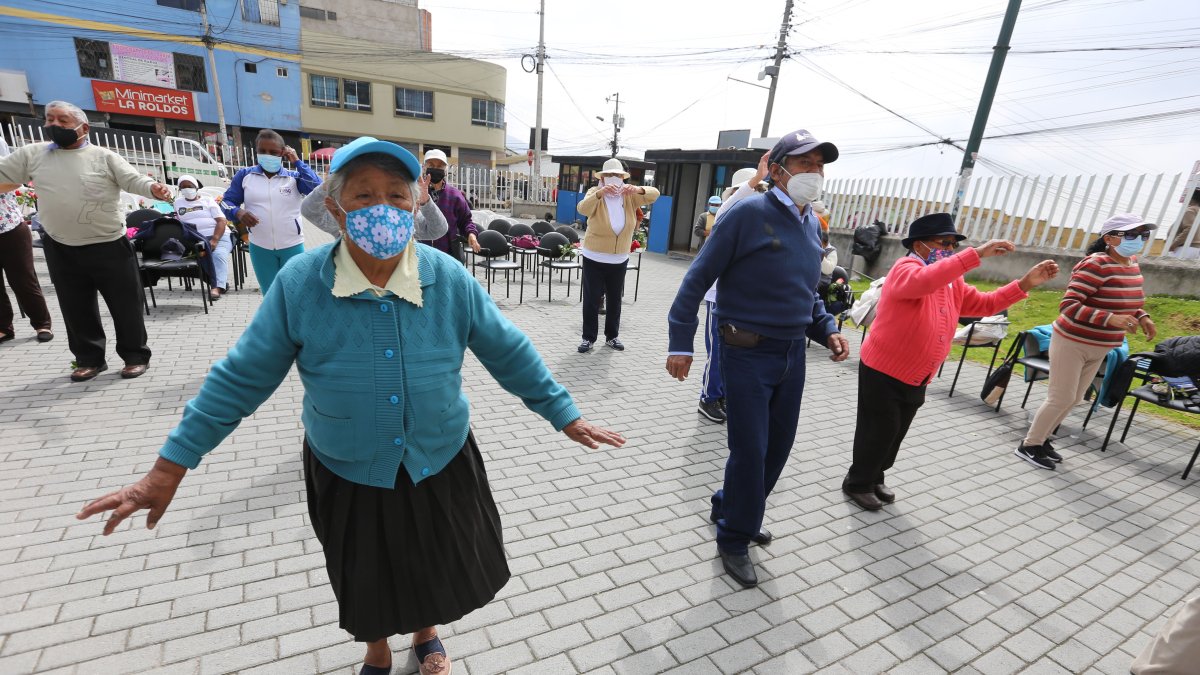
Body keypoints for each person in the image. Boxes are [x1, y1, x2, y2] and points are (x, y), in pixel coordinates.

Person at [76, 137, 625, 675]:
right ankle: (377, 649)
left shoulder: (450, 278)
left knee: (432, 562)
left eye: (396, 195)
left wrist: (564, 413)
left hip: (440, 456)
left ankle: (426, 633)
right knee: (364, 573)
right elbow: (241, 378)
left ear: (417, 208)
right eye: (363, 195)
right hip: (347, 464)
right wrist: (170, 466)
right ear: (334, 207)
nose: (380, 208)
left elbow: (510, 351)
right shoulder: (300, 284)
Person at [666, 129, 851, 588]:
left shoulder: (811, 223)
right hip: (745, 350)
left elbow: (806, 291)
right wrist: (680, 342)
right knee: (750, 451)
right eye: (806, 164)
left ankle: (732, 506)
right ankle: (733, 537)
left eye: (820, 166)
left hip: (792, 354)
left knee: (778, 448)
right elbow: (696, 278)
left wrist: (827, 328)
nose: (815, 174)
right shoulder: (748, 213)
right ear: (778, 168)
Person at [842, 214, 1058, 509]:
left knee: (896, 432)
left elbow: (983, 304)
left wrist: (1024, 284)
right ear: (919, 245)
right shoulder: (906, 268)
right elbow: (923, 282)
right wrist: (977, 254)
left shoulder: (952, 279)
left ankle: (875, 476)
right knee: (878, 429)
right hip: (883, 368)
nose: (951, 249)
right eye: (944, 243)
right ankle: (857, 482)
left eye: (954, 244)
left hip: (917, 373)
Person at [0, 101, 171, 381]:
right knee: (75, 307)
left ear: (84, 127)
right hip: (61, 246)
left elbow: (133, 180)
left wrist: (153, 188)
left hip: (108, 245)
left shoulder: (103, 156)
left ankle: (134, 356)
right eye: (50, 119)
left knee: (125, 305)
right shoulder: (33, 155)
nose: (54, 125)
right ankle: (89, 359)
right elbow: (4, 175)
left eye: (63, 121)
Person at [1016, 213, 1155, 469]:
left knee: (1076, 398)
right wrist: (1109, 319)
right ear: (1110, 238)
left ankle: (1043, 439)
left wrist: (1143, 316)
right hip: (1073, 341)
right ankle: (1029, 445)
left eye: (1144, 235)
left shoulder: (1131, 263)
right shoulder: (1095, 264)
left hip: (1101, 345)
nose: (1139, 240)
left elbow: (1131, 298)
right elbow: (1068, 305)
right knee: (1061, 396)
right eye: (1132, 234)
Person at [697, 161, 769, 424]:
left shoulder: (761, 221)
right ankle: (708, 398)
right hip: (718, 298)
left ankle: (724, 395)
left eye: (762, 189)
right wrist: (752, 183)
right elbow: (730, 205)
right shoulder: (727, 214)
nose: (759, 193)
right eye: (754, 188)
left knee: (735, 352)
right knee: (716, 352)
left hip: (745, 301)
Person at [221, 129, 321, 293]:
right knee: (270, 295)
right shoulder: (245, 176)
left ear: (282, 153)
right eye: (262, 151)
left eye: (273, 152)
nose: (267, 155)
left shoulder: (294, 177)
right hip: (261, 247)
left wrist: (297, 161)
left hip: (292, 246)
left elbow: (318, 188)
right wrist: (239, 213)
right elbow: (226, 202)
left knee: (295, 293)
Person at [576, 158, 660, 353]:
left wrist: (637, 190)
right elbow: (582, 208)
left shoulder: (630, 195)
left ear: (623, 177)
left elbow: (655, 194)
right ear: (603, 178)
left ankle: (612, 336)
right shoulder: (594, 193)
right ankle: (588, 338)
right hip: (594, 256)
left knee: (615, 298)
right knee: (591, 298)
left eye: (618, 176)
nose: (614, 179)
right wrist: (600, 194)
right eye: (609, 176)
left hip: (619, 258)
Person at [0, 136, 53, 344]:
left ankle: (42, 324)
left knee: (23, 280)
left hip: (9, 225)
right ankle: (4, 327)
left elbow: (13, 180)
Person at [173, 175, 232, 302]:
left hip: (219, 236)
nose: (186, 189)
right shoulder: (178, 203)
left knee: (218, 255)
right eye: (183, 187)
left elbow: (222, 221)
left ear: (196, 187)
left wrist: (215, 240)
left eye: (189, 186)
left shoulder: (207, 200)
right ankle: (220, 284)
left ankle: (216, 287)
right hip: (197, 239)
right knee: (202, 255)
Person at [418, 149, 480, 261]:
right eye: (431, 165)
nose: (436, 169)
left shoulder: (455, 195)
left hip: (448, 255)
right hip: (421, 254)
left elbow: (466, 220)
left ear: (445, 170)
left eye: (440, 166)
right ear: (424, 167)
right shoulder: (415, 193)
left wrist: (471, 234)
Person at [1168, 188, 1199, 259]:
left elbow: (1190, 229)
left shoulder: (1190, 210)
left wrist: (1174, 244)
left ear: (1191, 198)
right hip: (1195, 249)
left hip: (1184, 248)